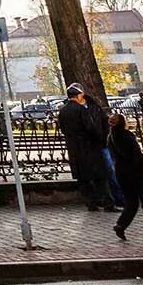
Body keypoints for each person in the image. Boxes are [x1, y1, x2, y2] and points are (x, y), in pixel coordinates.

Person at [56, 84, 115, 212]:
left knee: (83, 178)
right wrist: (99, 138)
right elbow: (91, 128)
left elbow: (62, 129)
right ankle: (107, 203)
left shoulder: (63, 111)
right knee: (100, 176)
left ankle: (91, 203)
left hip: (74, 149)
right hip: (89, 147)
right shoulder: (81, 109)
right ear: (79, 95)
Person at [108, 111, 143, 242]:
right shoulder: (126, 136)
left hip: (121, 173)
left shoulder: (111, 136)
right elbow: (137, 156)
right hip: (136, 173)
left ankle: (121, 224)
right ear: (123, 123)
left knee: (131, 202)